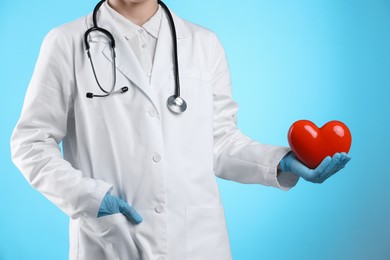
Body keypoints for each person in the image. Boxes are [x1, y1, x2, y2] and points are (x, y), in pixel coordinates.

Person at [10, 0, 350, 259]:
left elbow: (219, 141)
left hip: (199, 242)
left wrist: (281, 162)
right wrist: (89, 197)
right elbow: (30, 142)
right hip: (111, 242)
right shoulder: (66, 43)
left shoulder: (204, 44)